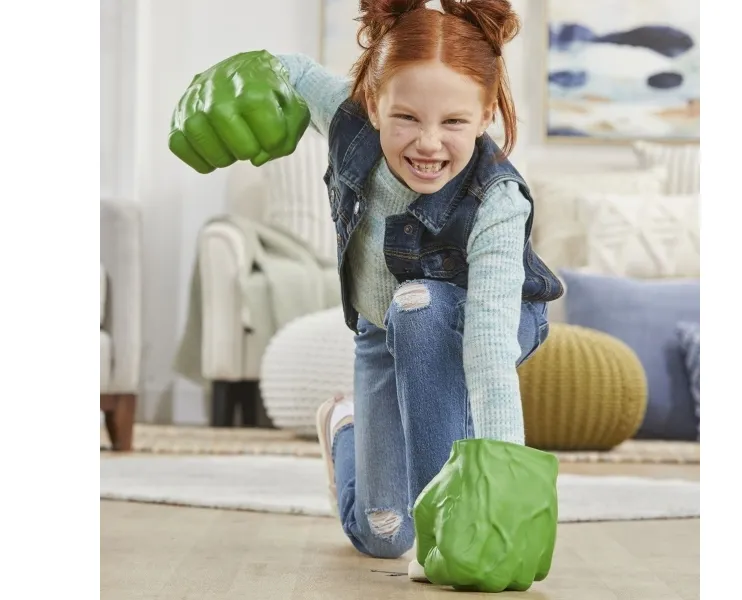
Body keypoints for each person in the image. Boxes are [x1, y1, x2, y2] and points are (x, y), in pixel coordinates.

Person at [169, 0, 563, 592]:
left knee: (420, 305)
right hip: (381, 331)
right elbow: (296, 72)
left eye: (454, 122)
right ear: (374, 104)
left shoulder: (497, 200)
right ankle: (345, 426)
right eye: (406, 117)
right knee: (380, 533)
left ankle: (437, 533)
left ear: (486, 115)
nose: (428, 142)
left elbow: (488, 344)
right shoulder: (351, 123)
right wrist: (249, 73)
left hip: (488, 321)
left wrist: (503, 471)